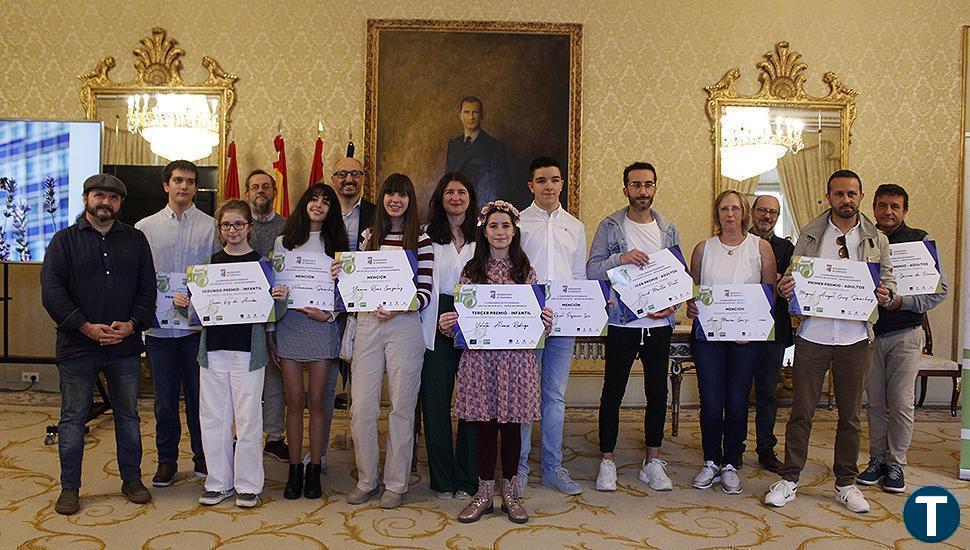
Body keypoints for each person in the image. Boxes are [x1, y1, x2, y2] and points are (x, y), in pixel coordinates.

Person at [765, 169, 896, 514]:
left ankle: (846, 484)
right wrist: (784, 288)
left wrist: (886, 293)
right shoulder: (809, 233)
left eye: (852, 194)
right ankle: (790, 479)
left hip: (855, 338)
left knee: (851, 416)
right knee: (801, 412)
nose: (846, 200)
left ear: (860, 196)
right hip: (814, 335)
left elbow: (890, 281)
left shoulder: (876, 239)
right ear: (829, 197)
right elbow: (792, 278)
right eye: (839, 194)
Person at [41, 173, 155, 515]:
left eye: (113, 197)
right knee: (73, 419)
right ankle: (70, 488)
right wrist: (86, 327)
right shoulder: (63, 241)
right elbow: (52, 293)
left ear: (120, 203)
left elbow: (148, 290)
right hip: (78, 347)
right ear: (86, 198)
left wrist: (132, 325)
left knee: (129, 417)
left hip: (124, 347)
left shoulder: (136, 240)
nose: (105, 202)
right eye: (99, 196)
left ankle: (131, 480)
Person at [438, 200, 553, 524]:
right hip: (481, 361)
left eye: (505, 226)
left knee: (512, 427)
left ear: (514, 230)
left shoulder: (525, 271)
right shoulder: (471, 271)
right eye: (493, 226)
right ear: (484, 231)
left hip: (516, 360)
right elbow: (464, 318)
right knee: (485, 427)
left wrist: (544, 320)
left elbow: (536, 319)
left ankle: (511, 494)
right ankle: (484, 493)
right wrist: (450, 323)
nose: (500, 231)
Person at [175, 199, 287, 509]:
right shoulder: (208, 266)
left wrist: (280, 299)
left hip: (247, 352)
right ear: (220, 229)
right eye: (226, 225)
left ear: (250, 226)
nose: (233, 230)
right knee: (213, 418)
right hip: (212, 352)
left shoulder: (263, 265)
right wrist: (183, 304)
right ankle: (218, 483)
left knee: (249, 419)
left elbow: (272, 314)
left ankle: (248, 485)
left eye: (239, 224)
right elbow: (195, 316)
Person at [338, 173, 433, 509]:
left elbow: (425, 292)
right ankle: (367, 479)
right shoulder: (368, 236)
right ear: (383, 198)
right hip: (367, 325)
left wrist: (399, 306)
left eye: (403, 194)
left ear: (410, 200)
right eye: (391, 193)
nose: (396, 199)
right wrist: (343, 275)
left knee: (402, 409)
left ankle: (395, 483)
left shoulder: (421, 240)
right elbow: (355, 284)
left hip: (405, 325)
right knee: (361, 407)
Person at [586, 162, 679, 493]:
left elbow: (676, 280)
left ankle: (652, 461)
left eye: (648, 185)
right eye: (636, 185)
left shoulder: (668, 230)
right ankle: (607, 461)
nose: (642, 191)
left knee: (658, 393)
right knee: (613, 392)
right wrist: (620, 260)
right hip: (622, 323)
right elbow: (593, 270)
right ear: (625, 189)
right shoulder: (610, 226)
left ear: (655, 188)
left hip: (659, 325)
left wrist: (673, 306)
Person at [857, 183, 947, 493]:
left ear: (904, 210)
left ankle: (896, 464)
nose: (888, 212)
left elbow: (939, 291)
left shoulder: (920, 241)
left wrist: (901, 302)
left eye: (895, 206)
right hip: (868, 335)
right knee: (875, 404)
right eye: (883, 206)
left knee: (901, 403)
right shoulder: (863, 241)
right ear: (874, 209)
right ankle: (877, 460)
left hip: (906, 334)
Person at [685, 190, 776, 495]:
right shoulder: (703, 249)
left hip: (746, 339)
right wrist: (692, 305)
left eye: (735, 208)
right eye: (724, 209)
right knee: (711, 401)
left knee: (737, 401)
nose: (730, 214)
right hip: (709, 337)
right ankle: (711, 459)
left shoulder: (760, 248)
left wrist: (748, 327)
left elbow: (769, 296)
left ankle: (731, 463)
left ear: (744, 213)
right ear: (717, 214)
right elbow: (693, 292)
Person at [136, 159, 219, 487]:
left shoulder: (211, 226)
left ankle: (203, 458)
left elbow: (215, 274)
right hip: (159, 329)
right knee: (164, 400)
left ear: (196, 187)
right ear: (165, 185)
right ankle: (166, 460)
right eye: (178, 181)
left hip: (197, 330)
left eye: (190, 182)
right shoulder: (145, 228)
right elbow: (141, 278)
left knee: (201, 399)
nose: (184, 187)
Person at [273, 183, 350, 499]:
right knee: (294, 402)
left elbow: (348, 293)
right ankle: (294, 470)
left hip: (322, 326)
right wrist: (276, 297)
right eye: (314, 199)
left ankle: (314, 468)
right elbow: (275, 287)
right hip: (289, 325)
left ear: (332, 210)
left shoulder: (339, 247)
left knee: (318, 402)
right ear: (304, 204)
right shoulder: (283, 243)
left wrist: (329, 314)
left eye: (326, 201)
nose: (319, 205)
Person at [517, 157, 587, 496]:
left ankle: (553, 468)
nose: (549, 186)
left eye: (554, 180)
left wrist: (588, 308)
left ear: (562, 184)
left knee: (554, 397)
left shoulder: (574, 226)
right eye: (541, 180)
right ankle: (519, 468)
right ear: (531, 185)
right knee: (523, 396)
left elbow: (579, 276)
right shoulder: (517, 222)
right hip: (525, 321)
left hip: (563, 322)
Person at [419, 172, 479, 500]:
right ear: (440, 198)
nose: (455, 197)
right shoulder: (426, 236)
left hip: (474, 320)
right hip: (434, 321)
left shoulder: (483, 236)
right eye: (449, 192)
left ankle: (467, 478)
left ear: (471, 197)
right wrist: (442, 316)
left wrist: (463, 316)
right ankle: (442, 478)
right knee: (436, 402)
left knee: (471, 403)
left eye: (461, 191)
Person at [244, 169, 289, 462]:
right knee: (243, 380)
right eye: (254, 187)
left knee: (274, 380)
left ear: (274, 192)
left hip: (275, 315)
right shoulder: (235, 225)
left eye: (266, 187)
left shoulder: (288, 226)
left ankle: (274, 437)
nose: (260, 191)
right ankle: (243, 435)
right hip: (241, 315)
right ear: (247, 193)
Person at [748, 195, 795, 472]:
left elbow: (793, 285)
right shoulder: (737, 243)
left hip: (773, 330)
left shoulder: (787, 248)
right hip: (737, 329)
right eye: (763, 210)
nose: (767, 216)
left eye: (773, 213)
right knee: (737, 393)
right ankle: (733, 446)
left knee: (767, 394)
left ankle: (766, 449)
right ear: (752, 212)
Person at [445, 96, 510, 207]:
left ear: (482, 115)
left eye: (475, 112)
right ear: (460, 115)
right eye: (467, 112)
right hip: (457, 207)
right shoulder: (453, 145)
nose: (471, 117)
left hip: (482, 208)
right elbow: (447, 181)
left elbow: (500, 187)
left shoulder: (495, 147)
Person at [333, 157, 376, 251]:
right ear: (333, 180)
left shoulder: (377, 214)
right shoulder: (324, 212)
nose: (349, 179)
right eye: (342, 174)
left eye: (355, 174)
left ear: (363, 178)